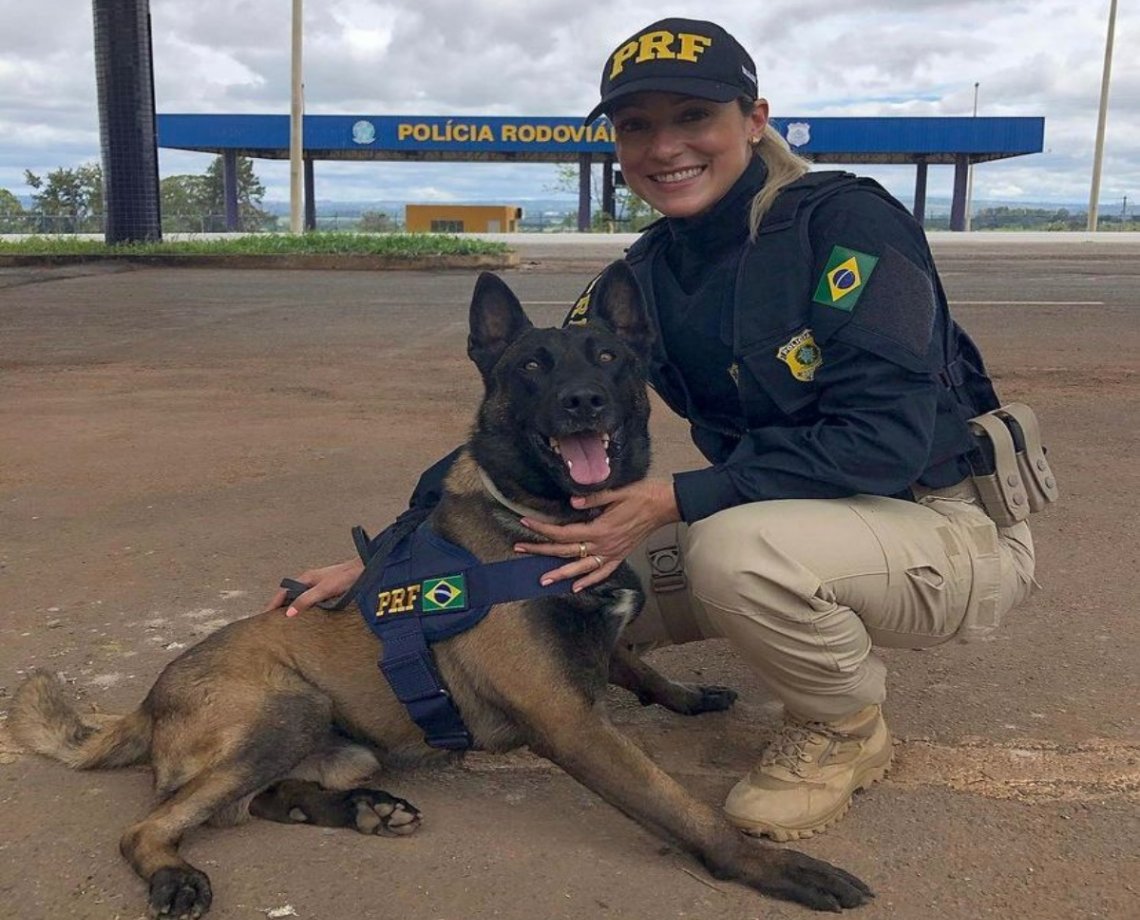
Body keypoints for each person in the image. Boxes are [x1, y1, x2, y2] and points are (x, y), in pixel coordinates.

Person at [266, 17, 1037, 843]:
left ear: (754, 119)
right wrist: (389, 554)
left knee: (733, 557)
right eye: (638, 126)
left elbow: (883, 443)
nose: (665, 146)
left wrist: (673, 497)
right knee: (539, 574)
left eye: (693, 117)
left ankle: (845, 728)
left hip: (939, 524)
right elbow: (519, 400)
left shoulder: (845, 225)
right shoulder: (642, 275)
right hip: (778, 513)